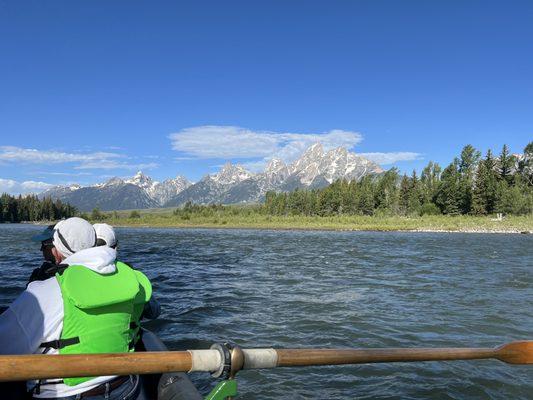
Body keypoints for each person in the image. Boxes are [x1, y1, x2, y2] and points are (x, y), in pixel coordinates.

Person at [0, 217, 151, 399]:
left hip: (66, 394)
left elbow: (5, 346)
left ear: (57, 252)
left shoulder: (44, 291)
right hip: (126, 386)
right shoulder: (131, 279)